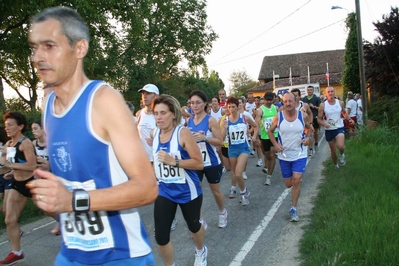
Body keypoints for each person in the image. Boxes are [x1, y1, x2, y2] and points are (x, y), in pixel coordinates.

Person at [26, 7, 158, 265]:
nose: (38, 56)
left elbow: (147, 187)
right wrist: (53, 200)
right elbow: (71, 177)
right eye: (35, 47)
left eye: (49, 45)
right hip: (71, 253)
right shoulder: (48, 104)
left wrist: (73, 201)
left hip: (120, 255)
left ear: (80, 49)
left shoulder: (103, 101)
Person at [151, 94, 207, 266]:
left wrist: (174, 162)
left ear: (173, 114)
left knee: (194, 226)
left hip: (187, 190)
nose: (158, 117)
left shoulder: (182, 133)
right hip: (165, 190)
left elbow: (199, 163)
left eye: (163, 113)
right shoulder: (154, 134)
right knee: (160, 235)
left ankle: (200, 250)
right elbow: (156, 162)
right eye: (156, 113)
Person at [0, 112, 37, 265]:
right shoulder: (8, 145)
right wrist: (11, 172)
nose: (7, 128)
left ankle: (64, 226)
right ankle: (17, 252)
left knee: (50, 211)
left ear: (20, 126)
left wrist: (9, 166)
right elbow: (15, 164)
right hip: (17, 184)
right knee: (9, 219)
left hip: (32, 183)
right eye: (6, 125)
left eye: (10, 125)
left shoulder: (25, 143)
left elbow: (32, 166)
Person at [268, 93, 311, 222]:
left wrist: (308, 138)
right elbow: (270, 131)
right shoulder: (278, 117)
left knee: (296, 180)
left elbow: (309, 129)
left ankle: (293, 208)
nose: (288, 104)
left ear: (295, 101)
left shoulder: (303, 116)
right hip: (284, 155)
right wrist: (275, 144)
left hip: (299, 153)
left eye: (290, 101)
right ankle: (295, 184)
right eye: (285, 102)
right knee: (288, 184)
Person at [187, 90, 227, 229]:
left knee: (215, 191)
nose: (195, 105)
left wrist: (205, 138)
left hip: (211, 162)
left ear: (205, 104)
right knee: (196, 192)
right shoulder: (189, 121)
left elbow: (220, 141)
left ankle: (222, 212)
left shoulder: (210, 120)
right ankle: (200, 220)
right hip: (196, 163)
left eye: (198, 102)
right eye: (192, 103)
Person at [221, 96, 259, 205]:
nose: (231, 109)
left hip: (244, 148)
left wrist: (254, 136)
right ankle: (244, 191)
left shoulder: (244, 117)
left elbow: (256, 126)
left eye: (233, 106)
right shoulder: (226, 120)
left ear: (238, 106)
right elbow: (222, 138)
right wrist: (224, 128)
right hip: (232, 149)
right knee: (234, 173)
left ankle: (243, 193)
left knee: (238, 173)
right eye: (229, 107)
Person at [31, 119, 61, 235]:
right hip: (41, 177)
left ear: (43, 129)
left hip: (54, 175)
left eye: (36, 128)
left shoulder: (52, 142)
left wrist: (47, 162)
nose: (33, 131)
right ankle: (61, 221)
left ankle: (63, 223)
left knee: (54, 203)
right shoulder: (33, 144)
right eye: (32, 129)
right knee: (44, 207)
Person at [318, 86, 355, 169]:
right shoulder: (323, 105)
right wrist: (324, 124)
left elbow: (344, 113)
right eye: (329, 92)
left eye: (332, 91)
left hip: (339, 127)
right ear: (326, 94)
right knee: (333, 151)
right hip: (329, 130)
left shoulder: (340, 103)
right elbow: (319, 120)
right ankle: (336, 165)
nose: (330, 93)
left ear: (334, 92)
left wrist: (349, 119)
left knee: (341, 146)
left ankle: (342, 154)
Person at [255, 92, 278, 186]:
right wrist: (255, 137)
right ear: (264, 99)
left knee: (272, 155)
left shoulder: (276, 108)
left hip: (274, 135)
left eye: (270, 99)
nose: (268, 101)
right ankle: (267, 165)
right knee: (267, 155)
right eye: (267, 99)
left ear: (273, 99)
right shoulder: (260, 110)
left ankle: (269, 177)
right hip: (264, 136)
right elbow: (256, 124)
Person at [137, 84, 160, 164]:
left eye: (148, 93)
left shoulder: (161, 114)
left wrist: (157, 140)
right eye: (143, 93)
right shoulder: (139, 114)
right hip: (143, 160)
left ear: (156, 96)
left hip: (158, 160)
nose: (145, 96)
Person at [302, 85, 321, 153]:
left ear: (313, 91)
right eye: (308, 90)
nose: (309, 91)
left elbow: (321, 107)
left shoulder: (316, 98)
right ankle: (310, 149)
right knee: (308, 133)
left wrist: (314, 107)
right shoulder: (304, 99)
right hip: (307, 118)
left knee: (315, 132)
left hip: (315, 117)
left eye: (311, 90)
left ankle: (316, 143)